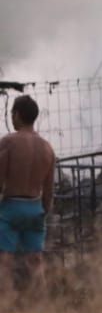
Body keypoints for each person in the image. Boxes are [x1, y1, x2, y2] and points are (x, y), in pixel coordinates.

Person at [0, 95, 56, 295]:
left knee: (4, 259)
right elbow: (48, 190)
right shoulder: (47, 148)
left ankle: (4, 303)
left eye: (11, 114)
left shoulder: (8, 142)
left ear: (17, 114)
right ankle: (42, 302)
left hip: (10, 207)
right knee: (35, 260)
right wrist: (44, 211)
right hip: (35, 208)